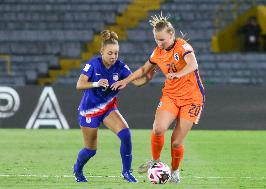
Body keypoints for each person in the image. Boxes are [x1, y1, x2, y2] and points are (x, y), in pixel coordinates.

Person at [111, 13, 205, 183]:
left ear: (171, 34)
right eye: (156, 40)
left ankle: (175, 171)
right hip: (171, 95)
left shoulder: (183, 46)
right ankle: (155, 162)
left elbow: (193, 64)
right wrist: (125, 80)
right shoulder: (158, 52)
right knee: (158, 129)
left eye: (162, 39)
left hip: (192, 98)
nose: (159, 43)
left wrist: (178, 74)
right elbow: (143, 70)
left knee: (176, 142)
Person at [73, 30, 152, 183]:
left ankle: (127, 172)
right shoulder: (93, 64)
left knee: (126, 135)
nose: (113, 57)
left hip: (108, 109)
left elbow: (136, 82)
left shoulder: (120, 67)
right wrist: (96, 83)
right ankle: (78, 169)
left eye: (116, 53)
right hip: (89, 111)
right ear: (102, 51)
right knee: (90, 150)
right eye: (110, 53)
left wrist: (149, 76)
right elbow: (79, 84)